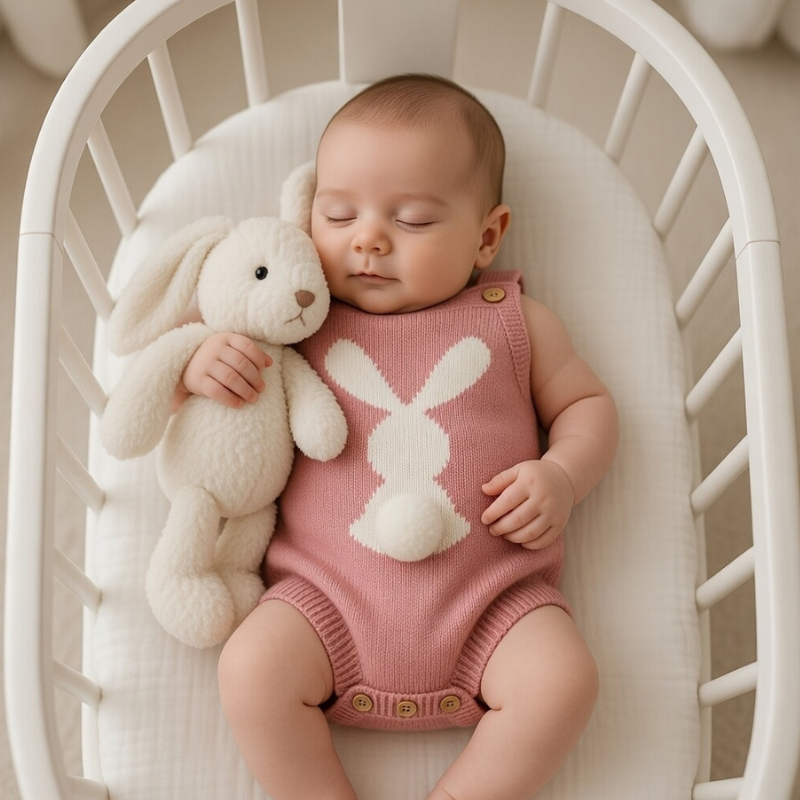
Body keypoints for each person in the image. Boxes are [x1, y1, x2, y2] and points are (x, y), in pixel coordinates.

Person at [178, 74, 618, 800]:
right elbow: (223, 384)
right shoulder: (301, 320)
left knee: (565, 680)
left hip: (493, 608)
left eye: (411, 220)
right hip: (325, 604)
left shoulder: (516, 322)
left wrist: (564, 475)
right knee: (250, 668)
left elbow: (588, 405)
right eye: (339, 213)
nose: (368, 240)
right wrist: (204, 364)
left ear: (486, 235)